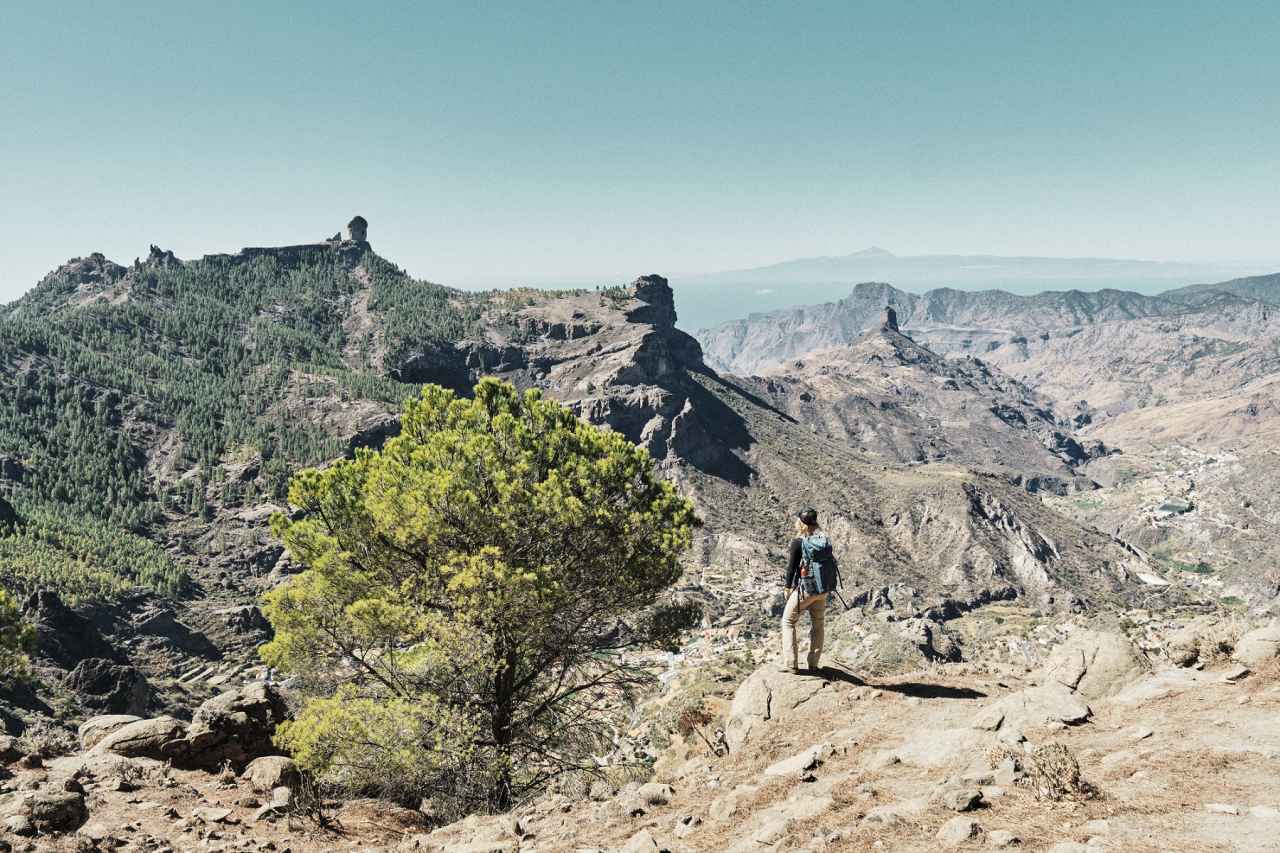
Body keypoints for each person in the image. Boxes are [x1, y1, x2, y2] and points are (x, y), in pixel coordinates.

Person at [780, 507, 829, 673]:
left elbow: (792, 568)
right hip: (823, 589)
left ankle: (791, 664)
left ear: (801, 524)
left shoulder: (798, 542)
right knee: (818, 624)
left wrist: (787, 587)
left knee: (788, 621)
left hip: (806, 588)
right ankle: (814, 664)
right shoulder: (822, 539)